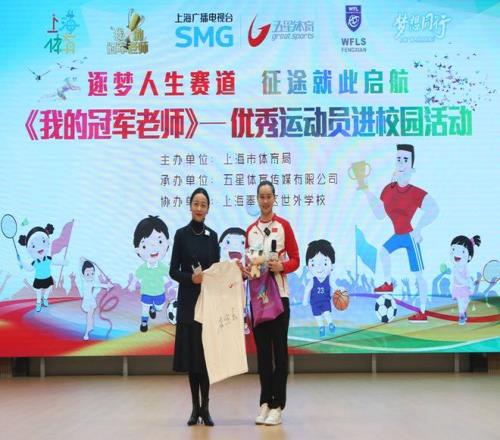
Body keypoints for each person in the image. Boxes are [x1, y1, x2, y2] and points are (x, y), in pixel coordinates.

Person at [362, 144, 439, 323]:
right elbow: (379, 214)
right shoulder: (388, 190)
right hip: (398, 235)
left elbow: (434, 209)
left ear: (412, 167)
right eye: (398, 159)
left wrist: (419, 229)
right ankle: (388, 283)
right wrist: (366, 191)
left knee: (418, 274)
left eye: (405, 159)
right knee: (383, 251)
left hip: (410, 237)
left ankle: (422, 311)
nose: (401, 163)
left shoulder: (415, 192)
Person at [244, 180, 300, 426]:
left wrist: (282, 266)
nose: (265, 201)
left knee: (280, 353)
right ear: (257, 199)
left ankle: (278, 406)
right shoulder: (251, 230)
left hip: (280, 297)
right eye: (261, 197)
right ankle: (265, 402)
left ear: (275, 198)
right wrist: (247, 270)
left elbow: (296, 259)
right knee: (263, 356)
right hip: (258, 300)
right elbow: (250, 263)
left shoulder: (283, 226)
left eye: (269, 196)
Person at [170, 188, 220, 426]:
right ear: (190, 206)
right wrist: (191, 278)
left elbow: (218, 271)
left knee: (205, 358)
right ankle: (194, 409)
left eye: (203, 204)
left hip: (208, 303)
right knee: (192, 359)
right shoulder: (180, 235)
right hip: (189, 303)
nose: (199, 208)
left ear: (208, 208)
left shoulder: (213, 236)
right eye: (196, 204)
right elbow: (173, 270)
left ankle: (206, 408)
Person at [303, 239, 337, 338]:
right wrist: (305, 300)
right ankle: (321, 327)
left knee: (327, 313)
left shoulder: (329, 279)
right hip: (315, 303)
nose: (319, 267)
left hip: (325, 301)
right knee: (317, 316)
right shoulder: (313, 281)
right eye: (313, 264)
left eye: (325, 263)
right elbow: (307, 290)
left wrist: (339, 290)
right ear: (308, 266)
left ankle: (330, 324)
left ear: (332, 266)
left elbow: (335, 287)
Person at [450, 235, 481, 325]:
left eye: (462, 251)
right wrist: (469, 283)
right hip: (458, 288)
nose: (457, 253)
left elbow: (467, 278)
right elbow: (459, 279)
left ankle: (463, 311)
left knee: (466, 301)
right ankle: (461, 316)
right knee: (461, 302)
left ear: (469, 257)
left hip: (465, 289)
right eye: (453, 249)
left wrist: (473, 283)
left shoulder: (465, 268)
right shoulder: (455, 268)